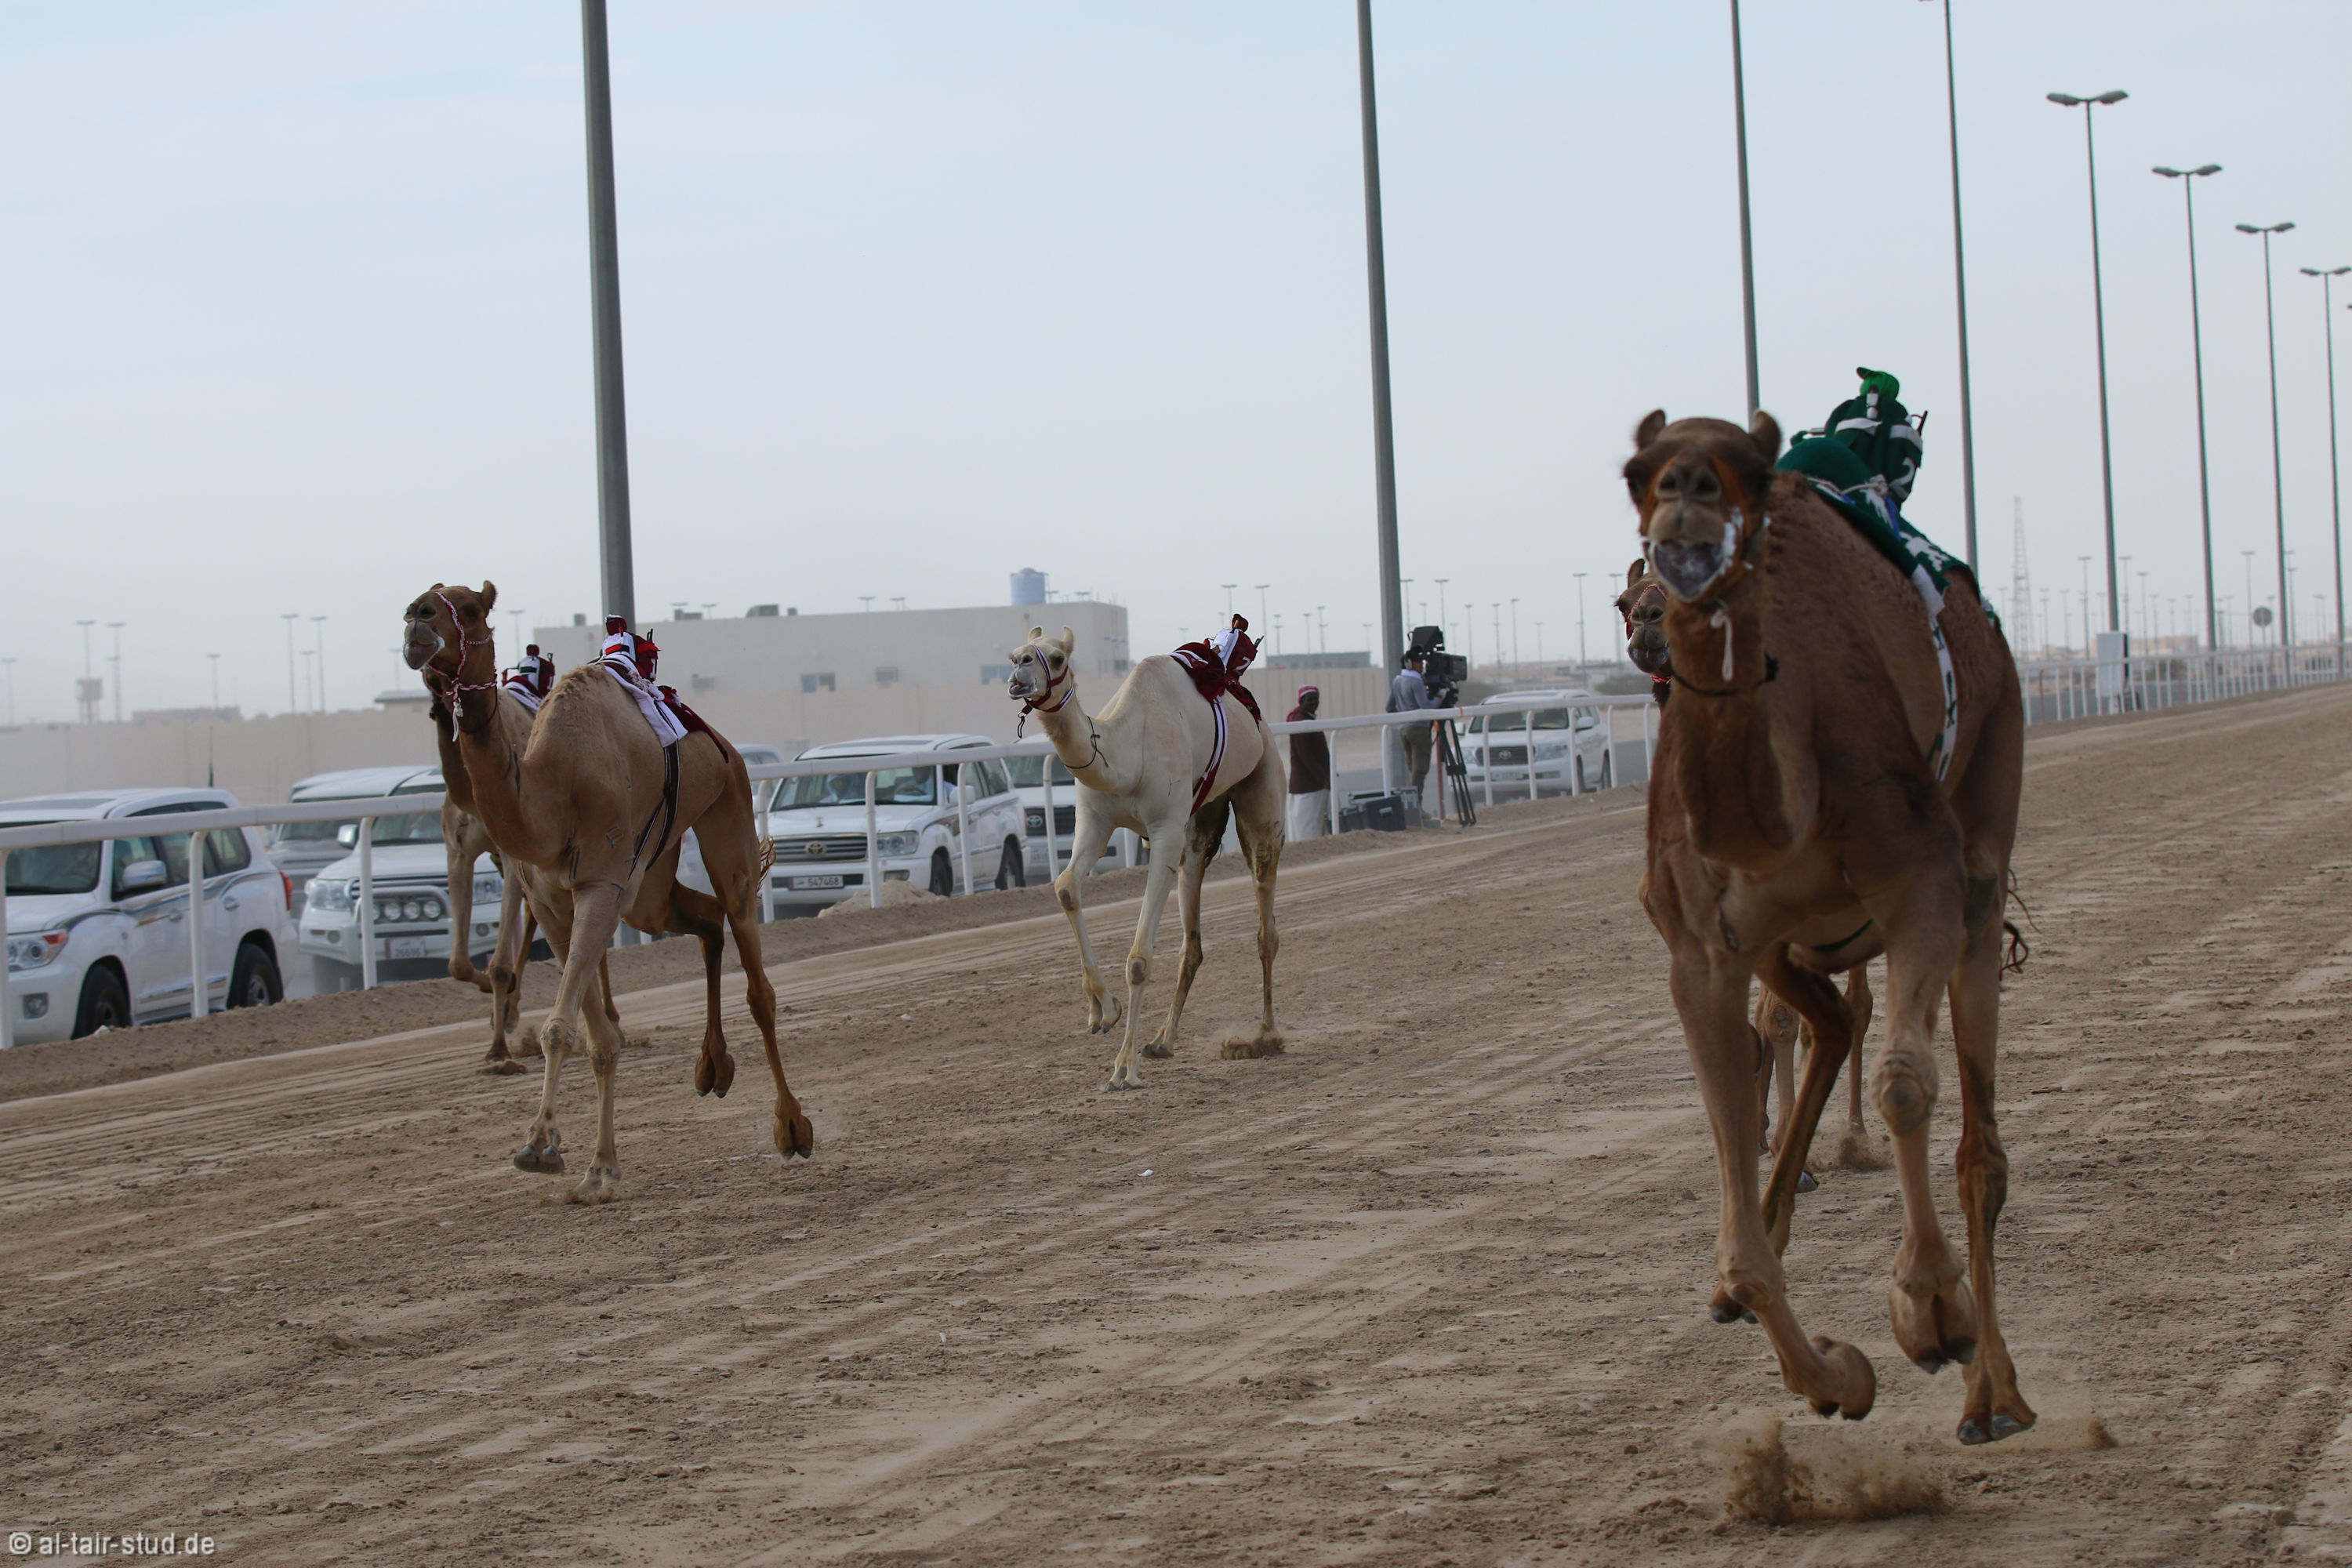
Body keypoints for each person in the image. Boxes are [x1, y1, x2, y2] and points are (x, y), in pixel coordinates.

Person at [1387, 651, 1437, 814]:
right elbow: (1426, 707)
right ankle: (1416, 808)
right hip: (1419, 729)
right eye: (1419, 662)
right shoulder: (1416, 681)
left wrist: (1404, 715)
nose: (1421, 666)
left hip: (1404, 730)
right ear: (1410, 663)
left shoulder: (1397, 681)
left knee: (1413, 770)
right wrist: (1440, 698)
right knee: (1419, 771)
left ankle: (1413, 807)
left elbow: (1389, 707)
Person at [1285, 685, 1330, 840]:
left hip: (1309, 786)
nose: (1314, 702)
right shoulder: (1301, 721)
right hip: (1308, 787)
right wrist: (1323, 777)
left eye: (1316, 699)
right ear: (1301, 701)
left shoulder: (1306, 719)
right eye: (1310, 699)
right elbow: (1305, 755)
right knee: (1307, 832)